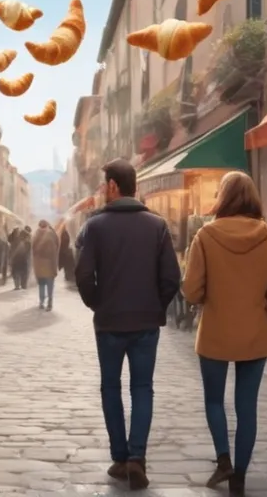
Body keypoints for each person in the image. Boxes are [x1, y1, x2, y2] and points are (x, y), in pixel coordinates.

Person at [182, 171, 267, 496]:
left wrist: (209, 293)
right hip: (254, 335)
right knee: (247, 408)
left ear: (223, 197)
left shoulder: (205, 236)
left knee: (214, 401)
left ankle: (223, 459)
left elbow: (190, 291)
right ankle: (239, 476)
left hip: (215, 331)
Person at [75, 159, 181, 490]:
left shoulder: (95, 226)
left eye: (105, 183)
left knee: (111, 387)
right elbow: (172, 278)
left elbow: (82, 273)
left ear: (113, 186)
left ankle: (120, 458)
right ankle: (137, 457)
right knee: (142, 388)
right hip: (146, 322)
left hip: (108, 322)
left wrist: (96, 303)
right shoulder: (157, 225)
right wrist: (156, 306)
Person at [31, 220, 60, 311]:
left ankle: (41, 302)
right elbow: (56, 248)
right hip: (49, 264)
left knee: (42, 284)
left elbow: (33, 249)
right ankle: (49, 303)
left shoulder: (36, 235)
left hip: (39, 264)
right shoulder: (52, 234)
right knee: (49, 284)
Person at [58, 223, 76, 289]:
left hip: (64, 253)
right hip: (65, 253)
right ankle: (68, 278)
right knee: (68, 267)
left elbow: (64, 243)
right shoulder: (65, 234)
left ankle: (68, 278)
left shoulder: (64, 234)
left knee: (67, 267)